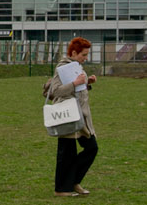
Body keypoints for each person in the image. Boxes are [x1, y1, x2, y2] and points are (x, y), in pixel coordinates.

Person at [44, 37, 98, 197]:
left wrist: (86, 82)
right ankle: (62, 189)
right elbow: (56, 91)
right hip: (67, 116)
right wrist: (75, 83)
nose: (86, 58)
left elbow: (76, 87)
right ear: (74, 52)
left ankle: (73, 182)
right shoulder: (62, 67)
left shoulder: (76, 66)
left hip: (80, 116)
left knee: (92, 148)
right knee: (66, 153)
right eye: (84, 55)